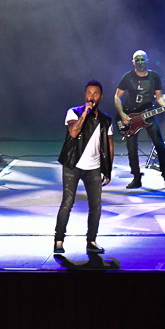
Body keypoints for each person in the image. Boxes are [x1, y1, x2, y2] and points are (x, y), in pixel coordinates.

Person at [55, 80, 113, 254]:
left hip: (94, 167)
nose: (92, 97)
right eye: (89, 93)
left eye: (96, 94)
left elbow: (109, 146)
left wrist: (107, 169)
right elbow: (74, 133)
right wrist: (85, 114)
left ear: (101, 97)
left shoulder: (106, 120)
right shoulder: (73, 112)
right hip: (73, 165)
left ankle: (91, 241)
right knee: (67, 202)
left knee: (96, 206)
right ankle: (58, 240)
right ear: (85, 95)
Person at [115, 50, 165, 190]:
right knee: (131, 149)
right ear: (133, 62)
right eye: (137, 60)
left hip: (148, 114)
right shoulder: (127, 77)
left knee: (159, 145)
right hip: (130, 116)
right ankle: (136, 178)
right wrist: (122, 114)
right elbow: (117, 96)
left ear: (147, 61)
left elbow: (159, 97)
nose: (140, 62)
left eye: (142, 59)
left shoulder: (154, 77)